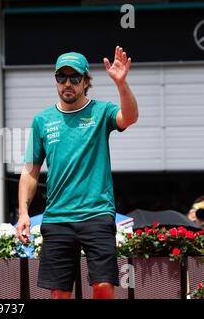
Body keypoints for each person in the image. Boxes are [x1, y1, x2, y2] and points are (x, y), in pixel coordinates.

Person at [17, 47, 138, 299]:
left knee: (103, 286)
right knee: (59, 293)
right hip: (57, 218)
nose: (67, 83)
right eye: (61, 78)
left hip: (97, 213)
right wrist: (23, 213)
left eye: (74, 78)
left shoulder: (101, 111)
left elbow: (129, 117)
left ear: (85, 81)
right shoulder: (43, 120)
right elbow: (30, 171)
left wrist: (121, 83)